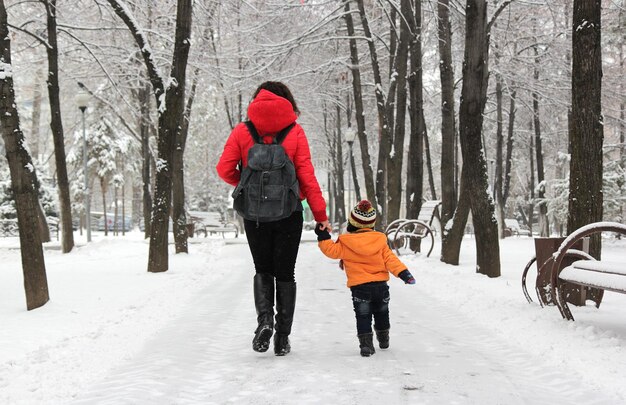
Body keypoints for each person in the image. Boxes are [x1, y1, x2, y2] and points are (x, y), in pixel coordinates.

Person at [216, 81, 331, 356]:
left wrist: (244, 186)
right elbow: (307, 176)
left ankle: (264, 320)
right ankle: (282, 338)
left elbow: (223, 169)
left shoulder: (243, 131)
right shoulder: (295, 131)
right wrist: (320, 215)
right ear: (287, 101)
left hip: (255, 215)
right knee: (286, 273)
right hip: (289, 213)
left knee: (263, 270)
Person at [314, 200, 415, 357]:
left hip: (360, 288)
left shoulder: (346, 242)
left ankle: (366, 345)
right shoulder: (380, 241)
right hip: (380, 287)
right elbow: (391, 260)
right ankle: (383, 338)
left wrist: (323, 235)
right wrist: (404, 274)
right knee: (382, 312)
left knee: (363, 316)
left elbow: (331, 251)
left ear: (352, 223)